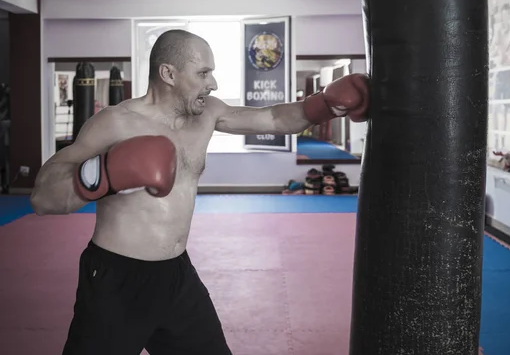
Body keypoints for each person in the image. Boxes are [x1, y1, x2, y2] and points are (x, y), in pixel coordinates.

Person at [30, 29, 370, 355]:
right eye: (203, 72)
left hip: (177, 276)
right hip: (116, 281)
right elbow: (43, 196)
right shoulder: (116, 123)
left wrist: (324, 104)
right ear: (168, 73)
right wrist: (105, 173)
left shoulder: (207, 112)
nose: (213, 83)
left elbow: (274, 119)